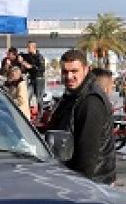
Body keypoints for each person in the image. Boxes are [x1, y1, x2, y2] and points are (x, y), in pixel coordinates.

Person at [47, 49, 116, 184]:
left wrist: (80, 186)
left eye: (74, 71)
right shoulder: (72, 96)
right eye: (65, 72)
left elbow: (87, 155)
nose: (69, 76)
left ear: (86, 70)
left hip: (93, 182)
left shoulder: (90, 101)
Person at [21, 41, 46, 107]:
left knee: (39, 98)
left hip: (39, 79)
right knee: (27, 96)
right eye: (27, 47)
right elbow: (21, 55)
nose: (28, 49)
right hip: (31, 80)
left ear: (34, 47)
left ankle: (41, 114)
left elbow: (42, 68)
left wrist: (31, 66)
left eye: (29, 47)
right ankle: (27, 113)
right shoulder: (28, 56)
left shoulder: (39, 56)